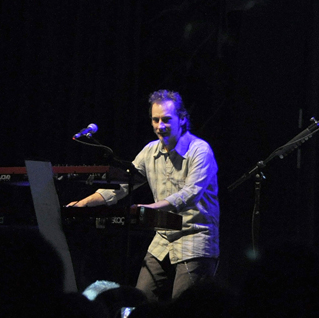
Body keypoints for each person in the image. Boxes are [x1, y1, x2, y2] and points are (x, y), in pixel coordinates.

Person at [68, 90, 220, 301]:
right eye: (155, 120)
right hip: (163, 239)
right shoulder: (150, 151)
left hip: (194, 239)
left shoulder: (200, 150)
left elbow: (190, 194)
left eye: (166, 119)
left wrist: (150, 209)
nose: (160, 126)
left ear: (182, 119)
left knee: (184, 310)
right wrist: (83, 204)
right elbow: (122, 185)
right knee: (139, 301)